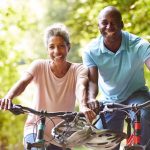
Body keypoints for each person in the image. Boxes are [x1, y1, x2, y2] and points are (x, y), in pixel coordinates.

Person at [0, 23, 95, 150]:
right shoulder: (39, 66)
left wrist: (83, 105)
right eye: (52, 47)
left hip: (63, 134)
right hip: (35, 128)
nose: (57, 51)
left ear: (69, 47)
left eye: (61, 46)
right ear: (47, 50)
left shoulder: (78, 69)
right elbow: (23, 82)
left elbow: (80, 87)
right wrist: (9, 97)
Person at [82, 6, 150, 149]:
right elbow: (93, 81)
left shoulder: (138, 45)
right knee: (103, 142)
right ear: (98, 26)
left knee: (144, 116)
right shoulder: (91, 50)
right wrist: (91, 98)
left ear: (121, 24)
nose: (109, 26)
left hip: (137, 95)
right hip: (110, 100)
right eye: (104, 22)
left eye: (114, 22)